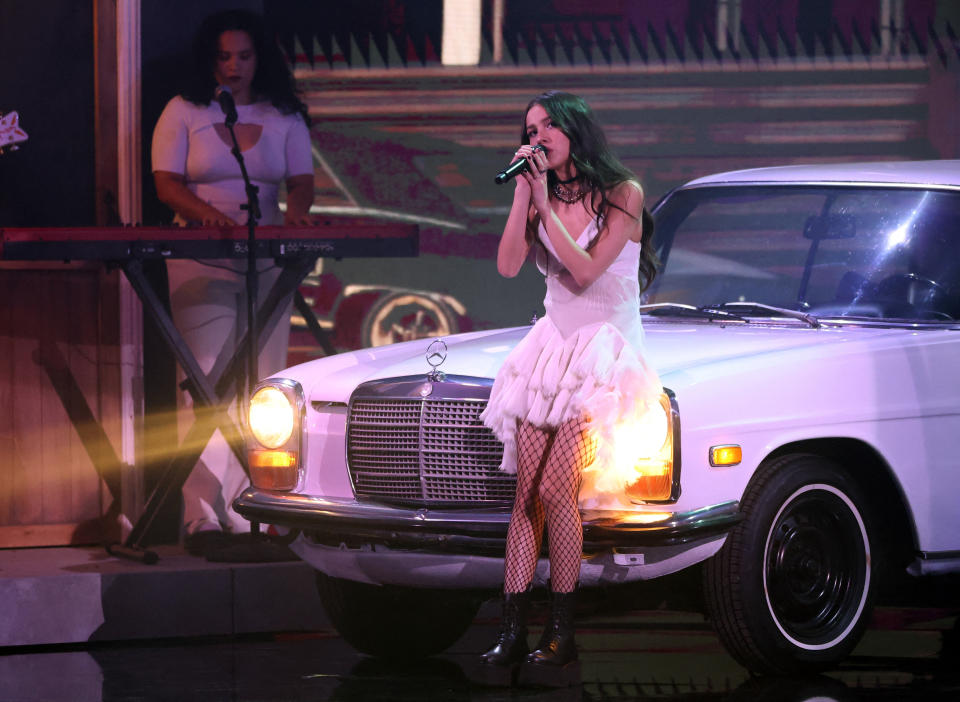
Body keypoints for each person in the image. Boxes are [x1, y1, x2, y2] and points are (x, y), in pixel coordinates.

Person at [478, 91, 662, 687]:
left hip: (605, 354)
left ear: (574, 129)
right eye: (529, 128)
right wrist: (522, 197)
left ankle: (563, 633)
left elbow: (585, 273)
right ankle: (512, 632)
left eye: (547, 125)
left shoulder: (622, 193)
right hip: (553, 352)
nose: (537, 136)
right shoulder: (536, 195)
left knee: (559, 490)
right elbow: (508, 266)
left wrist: (542, 205)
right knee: (525, 492)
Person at [151, 9, 314, 558]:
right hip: (201, 258)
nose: (235, 66)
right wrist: (204, 215)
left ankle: (256, 508)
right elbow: (167, 184)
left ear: (259, 58)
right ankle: (202, 513)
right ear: (209, 60)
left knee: (262, 383)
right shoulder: (184, 111)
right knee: (208, 379)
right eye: (224, 56)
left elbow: (301, 184)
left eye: (244, 56)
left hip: (266, 256)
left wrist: (296, 218)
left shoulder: (284, 113)